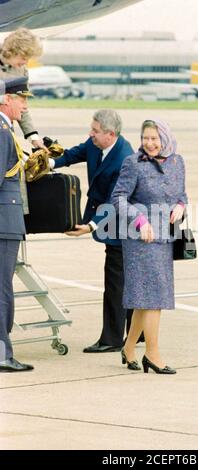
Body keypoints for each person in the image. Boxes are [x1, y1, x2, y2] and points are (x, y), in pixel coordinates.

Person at [50, 109, 138, 353]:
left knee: (115, 283)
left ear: (110, 134)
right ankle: (135, 333)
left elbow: (114, 201)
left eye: (95, 131)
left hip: (123, 226)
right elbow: (74, 154)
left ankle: (111, 340)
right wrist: (50, 162)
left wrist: (90, 225)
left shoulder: (124, 159)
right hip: (110, 217)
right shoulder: (95, 143)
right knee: (125, 281)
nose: (91, 134)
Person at [111, 119, 188, 374]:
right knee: (154, 298)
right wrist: (140, 220)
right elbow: (118, 198)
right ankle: (152, 355)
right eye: (146, 138)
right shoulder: (134, 163)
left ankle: (129, 348)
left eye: (154, 138)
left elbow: (182, 195)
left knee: (145, 300)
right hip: (140, 239)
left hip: (165, 238)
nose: (150, 143)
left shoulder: (177, 163)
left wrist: (181, 206)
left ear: (164, 138)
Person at [0, 76, 34, 372]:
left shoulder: (6, 129)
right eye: (21, 99)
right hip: (4, 220)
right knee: (1, 290)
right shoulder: (1, 130)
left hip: (6, 220)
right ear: (5, 99)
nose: (24, 105)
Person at [0, 28, 46, 150]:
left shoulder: (22, 70)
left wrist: (33, 137)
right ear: (13, 50)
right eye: (24, 57)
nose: (26, 62)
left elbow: (21, 105)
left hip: (4, 130)